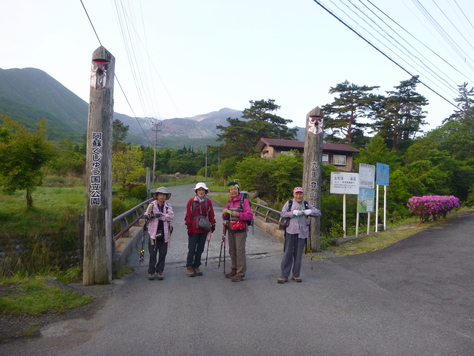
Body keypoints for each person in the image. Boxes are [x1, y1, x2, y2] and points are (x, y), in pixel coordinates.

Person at [278, 187, 321, 284]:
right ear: (294, 194)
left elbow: (318, 213)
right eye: (297, 194)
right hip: (290, 231)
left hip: (302, 232)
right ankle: (284, 275)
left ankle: (296, 274)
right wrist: (292, 213)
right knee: (287, 253)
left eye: (300, 194)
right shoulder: (289, 203)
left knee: (298, 255)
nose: (298, 196)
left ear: (303, 195)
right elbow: (283, 214)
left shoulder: (306, 204)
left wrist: (309, 211)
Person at [222, 181, 254, 282]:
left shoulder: (243, 201)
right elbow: (225, 216)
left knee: (240, 251)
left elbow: (249, 215)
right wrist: (224, 213)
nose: (233, 191)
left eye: (235, 189)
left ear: (238, 190)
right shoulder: (229, 202)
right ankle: (234, 269)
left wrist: (238, 215)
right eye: (231, 189)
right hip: (231, 227)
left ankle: (240, 273)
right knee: (232, 250)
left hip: (241, 228)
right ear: (229, 191)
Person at [184, 182, 216, 277]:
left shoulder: (208, 202)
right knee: (192, 249)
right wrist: (189, 226)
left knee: (200, 249)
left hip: (204, 228)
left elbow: (211, 214)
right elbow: (188, 215)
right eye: (199, 190)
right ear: (196, 191)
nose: (201, 192)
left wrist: (212, 224)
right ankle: (189, 266)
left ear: (205, 191)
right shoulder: (191, 201)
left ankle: (196, 266)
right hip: (194, 228)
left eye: (203, 190)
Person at [144, 187, 174, 280]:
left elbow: (171, 217)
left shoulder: (168, 206)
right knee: (152, 254)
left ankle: (160, 271)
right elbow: (145, 215)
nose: (162, 197)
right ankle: (151, 271)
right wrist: (151, 216)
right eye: (160, 195)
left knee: (163, 253)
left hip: (165, 233)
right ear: (157, 196)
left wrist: (160, 215)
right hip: (153, 234)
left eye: (164, 195)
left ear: (166, 197)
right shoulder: (151, 205)